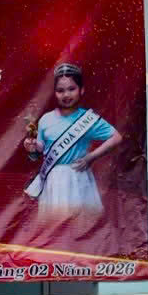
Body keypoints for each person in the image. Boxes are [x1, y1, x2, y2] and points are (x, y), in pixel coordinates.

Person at [23, 61, 122, 219]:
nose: (66, 95)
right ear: (55, 93)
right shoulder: (45, 119)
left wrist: (91, 157)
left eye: (71, 89)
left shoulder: (88, 119)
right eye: (60, 90)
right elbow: (41, 150)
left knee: (81, 224)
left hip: (78, 177)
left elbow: (116, 137)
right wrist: (32, 149)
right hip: (53, 180)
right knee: (53, 224)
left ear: (81, 90)